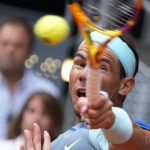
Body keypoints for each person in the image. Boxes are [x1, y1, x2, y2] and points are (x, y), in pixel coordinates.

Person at [20, 31, 150, 150]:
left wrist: (112, 121)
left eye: (101, 67)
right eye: (80, 64)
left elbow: (141, 142)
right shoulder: (56, 143)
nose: (84, 74)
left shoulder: (122, 132)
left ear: (125, 85)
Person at [0, 16, 60, 139]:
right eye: (5, 43)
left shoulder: (47, 91)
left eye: (17, 45)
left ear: (29, 51)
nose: (10, 50)